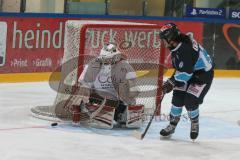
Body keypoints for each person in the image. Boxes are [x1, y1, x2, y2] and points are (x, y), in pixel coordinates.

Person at [159, 23, 214, 140]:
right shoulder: (178, 45)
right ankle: (172, 125)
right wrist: (172, 81)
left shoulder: (184, 49)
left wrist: (172, 82)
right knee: (177, 98)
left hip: (202, 75)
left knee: (190, 101)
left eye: (164, 39)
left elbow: (186, 73)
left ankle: (194, 122)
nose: (163, 42)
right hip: (190, 72)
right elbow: (182, 69)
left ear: (170, 39)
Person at [67, 43, 142, 129]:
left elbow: (134, 88)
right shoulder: (93, 66)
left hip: (115, 103)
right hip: (96, 101)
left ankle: (124, 112)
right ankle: (80, 113)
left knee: (129, 87)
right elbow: (82, 86)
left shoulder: (124, 66)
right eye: (106, 59)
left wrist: (130, 101)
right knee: (78, 88)